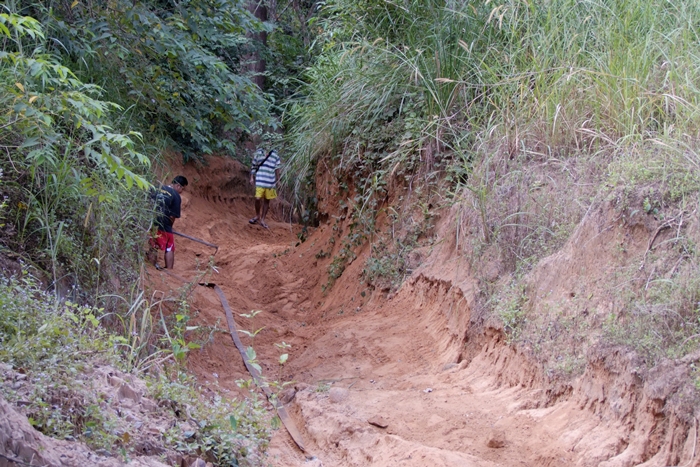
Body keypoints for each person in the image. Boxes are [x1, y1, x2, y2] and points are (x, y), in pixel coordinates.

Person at [149, 175, 188, 269]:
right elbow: (172, 216)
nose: (181, 191)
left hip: (152, 221)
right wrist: (170, 227)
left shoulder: (157, 188)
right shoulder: (175, 195)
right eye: (182, 189)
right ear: (178, 186)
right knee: (169, 246)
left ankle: (151, 267)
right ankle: (169, 270)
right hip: (165, 224)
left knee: (153, 244)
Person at [249, 148, 281, 229]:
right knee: (257, 198)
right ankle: (257, 216)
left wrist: (278, 180)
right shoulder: (258, 152)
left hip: (270, 181)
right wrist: (252, 177)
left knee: (267, 200)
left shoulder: (275, 154)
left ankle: (262, 219)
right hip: (260, 180)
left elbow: (277, 168)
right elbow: (254, 165)